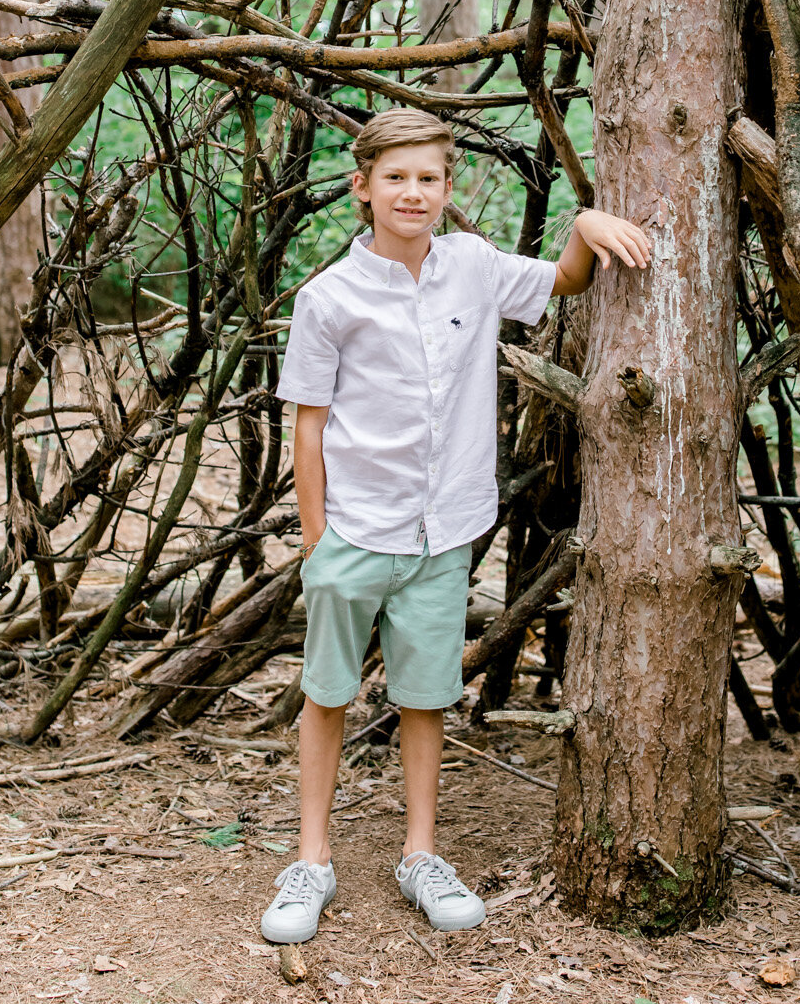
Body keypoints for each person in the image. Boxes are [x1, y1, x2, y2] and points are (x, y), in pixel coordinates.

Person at [260, 109, 652, 944]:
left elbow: (566, 282)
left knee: (425, 695)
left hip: (445, 533)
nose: (413, 192)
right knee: (326, 689)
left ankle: (420, 854)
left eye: (428, 178)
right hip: (356, 532)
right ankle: (311, 860)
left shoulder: (471, 267)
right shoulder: (328, 299)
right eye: (395, 177)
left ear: (447, 188)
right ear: (361, 187)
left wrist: (583, 223)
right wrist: (316, 538)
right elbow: (308, 422)